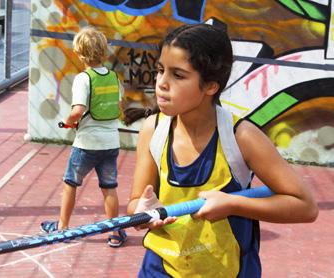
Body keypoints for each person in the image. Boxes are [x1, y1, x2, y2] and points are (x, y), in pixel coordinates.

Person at [126, 23, 318, 277]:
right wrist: (141, 210)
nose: (161, 83)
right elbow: (134, 202)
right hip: (160, 269)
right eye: (160, 70)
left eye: (178, 75)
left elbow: (305, 206)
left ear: (210, 86)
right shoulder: (154, 130)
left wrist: (233, 204)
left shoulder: (242, 138)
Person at [41, 27, 127, 247]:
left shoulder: (83, 78)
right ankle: (115, 232)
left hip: (87, 142)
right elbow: (117, 106)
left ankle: (62, 228)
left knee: (70, 183)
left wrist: (67, 122)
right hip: (110, 142)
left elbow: (78, 110)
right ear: (104, 52)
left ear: (80, 54)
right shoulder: (113, 78)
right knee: (109, 187)